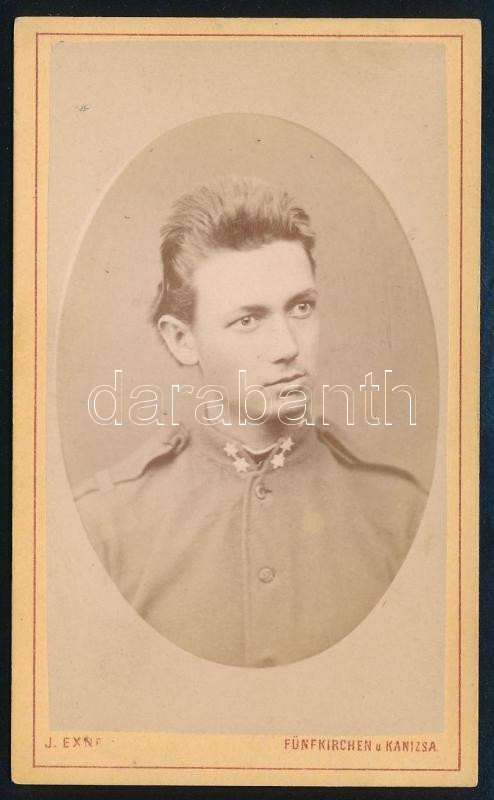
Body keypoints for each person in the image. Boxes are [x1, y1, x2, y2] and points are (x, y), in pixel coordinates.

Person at [74, 176, 426, 668]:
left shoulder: (401, 514)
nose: (287, 346)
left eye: (301, 308)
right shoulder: (104, 527)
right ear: (182, 340)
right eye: (248, 320)